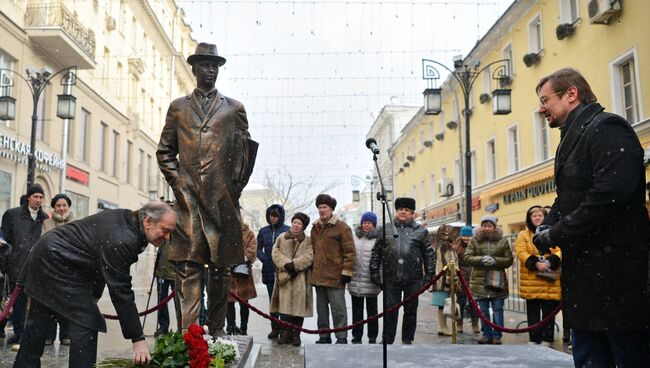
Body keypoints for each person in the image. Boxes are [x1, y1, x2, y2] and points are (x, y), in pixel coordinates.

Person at [532, 68, 650, 366]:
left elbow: (609, 196)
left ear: (571, 94)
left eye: (545, 99)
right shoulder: (572, 137)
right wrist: (547, 222)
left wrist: (556, 233)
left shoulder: (608, 128)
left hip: (618, 283)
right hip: (587, 286)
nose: (541, 108)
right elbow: (569, 196)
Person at [157, 42, 258, 335]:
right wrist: (179, 183)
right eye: (205, 65)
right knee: (188, 267)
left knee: (221, 270)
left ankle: (216, 332)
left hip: (222, 202)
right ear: (194, 68)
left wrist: (234, 189)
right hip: (188, 201)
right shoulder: (178, 108)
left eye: (214, 65)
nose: (210, 70)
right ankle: (189, 338)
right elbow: (164, 152)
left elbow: (244, 153)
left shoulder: (234, 108)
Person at [13, 201, 176, 367]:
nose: (167, 237)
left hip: (48, 253)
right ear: (148, 221)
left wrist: (94, 295)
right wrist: (138, 339)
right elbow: (121, 291)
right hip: (56, 261)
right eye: (165, 230)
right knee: (87, 321)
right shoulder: (123, 238)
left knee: (38, 322)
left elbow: (99, 262)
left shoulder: (128, 222)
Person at [370, 197, 435, 345]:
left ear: (413, 213)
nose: (403, 213)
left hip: (413, 278)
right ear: (396, 211)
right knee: (390, 311)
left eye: (407, 210)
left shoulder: (420, 231)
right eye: (400, 210)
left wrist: (429, 274)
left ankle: (407, 339)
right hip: (390, 277)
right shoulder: (386, 229)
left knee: (411, 311)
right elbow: (376, 252)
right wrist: (374, 271)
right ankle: (388, 338)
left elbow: (429, 254)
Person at [1, 184, 48, 346]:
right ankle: (19, 333)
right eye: (35, 196)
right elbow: (4, 241)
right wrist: (7, 262)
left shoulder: (45, 218)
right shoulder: (12, 215)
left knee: (34, 304)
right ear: (28, 197)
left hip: (37, 267)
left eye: (41, 197)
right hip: (16, 266)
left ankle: (28, 335)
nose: (38, 200)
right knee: (18, 303)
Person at [310, 194, 355, 344]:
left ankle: (341, 337)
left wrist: (346, 272)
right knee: (321, 312)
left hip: (336, 276)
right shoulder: (315, 228)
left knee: (339, 310)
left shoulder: (342, 227)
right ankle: (324, 336)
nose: (322, 210)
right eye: (320, 207)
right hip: (319, 277)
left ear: (331, 209)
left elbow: (350, 252)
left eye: (325, 207)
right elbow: (313, 251)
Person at [515, 205, 561, 347]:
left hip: (549, 277)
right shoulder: (523, 234)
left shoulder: (552, 232)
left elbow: (559, 250)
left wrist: (550, 261)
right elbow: (520, 251)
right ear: (529, 218)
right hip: (531, 278)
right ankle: (534, 338)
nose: (537, 218)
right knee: (533, 312)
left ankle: (547, 338)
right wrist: (534, 262)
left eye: (540, 215)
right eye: (534, 215)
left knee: (549, 311)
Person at [463, 215, 513, 345]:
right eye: (484, 225)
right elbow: (467, 257)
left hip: (497, 281)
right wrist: (481, 259)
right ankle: (486, 334)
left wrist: (495, 261)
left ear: (494, 227)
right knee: (483, 310)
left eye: (489, 226)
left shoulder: (502, 241)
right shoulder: (474, 240)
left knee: (498, 309)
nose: (487, 228)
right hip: (479, 281)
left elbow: (509, 260)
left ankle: (497, 335)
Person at [270, 212, 313, 346]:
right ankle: (284, 333)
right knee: (284, 308)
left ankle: (296, 334)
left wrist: (294, 265)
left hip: (300, 279)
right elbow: (275, 253)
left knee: (298, 310)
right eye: (295, 222)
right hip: (284, 278)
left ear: (303, 226)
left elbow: (309, 256)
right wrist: (286, 264)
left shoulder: (308, 240)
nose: (296, 225)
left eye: (299, 223)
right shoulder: (282, 237)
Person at [41, 193, 75, 346]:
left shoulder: (76, 223)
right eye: (58, 206)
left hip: (70, 270)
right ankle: (48, 334)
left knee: (67, 303)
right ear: (54, 207)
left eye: (64, 205)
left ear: (68, 207)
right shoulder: (46, 223)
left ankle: (66, 335)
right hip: (50, 268)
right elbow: (42, 242)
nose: (61, 209)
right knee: (49, 303)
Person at [256, 204, 290, 339]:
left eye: (276, 216)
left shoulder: (287, 230)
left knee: (284, 301)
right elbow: (258, 248)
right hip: (269, 270)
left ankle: (285, 329)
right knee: (272, 301)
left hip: (283, 270)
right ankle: (275, 328)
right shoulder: (264, 231)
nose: (273, 219)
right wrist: (265, 259)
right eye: (271, 216)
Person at [348, 212, 380, 344]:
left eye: (369, 223)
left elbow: (380, 260)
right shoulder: (354, 237)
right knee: (357, 311)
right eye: (365, 222)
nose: (367, 225)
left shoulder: (378, 239)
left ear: (374, 225)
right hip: (356, 279)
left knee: (372, 312)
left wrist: (379, 277)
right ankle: (357, 335)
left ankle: (372, 336)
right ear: (361, 224)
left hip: (371, 280)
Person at [226, 220, 257, 336]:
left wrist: (238, 259)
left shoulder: (249, 233)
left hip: (243, 274)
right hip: (229, 273)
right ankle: (230, 326)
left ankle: (244, 327)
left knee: (244, 304)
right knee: (229, 303)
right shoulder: (226, 232)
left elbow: (252, 250)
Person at [429, 224, 457, 336]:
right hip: (443, 279)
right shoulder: (444, 246)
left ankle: (443, 326)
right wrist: (451, 277)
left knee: (443, 305)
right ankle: (442, 326)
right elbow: (445, 263)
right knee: (443, 304)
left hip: (441, 278)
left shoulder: (442, 246)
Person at [452, 225, 480, 335]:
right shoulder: (457, 248)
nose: (466, 238)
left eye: (468, 236)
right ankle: (459, 323)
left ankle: (475, 324)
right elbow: (454, 263)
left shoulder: (476, 247)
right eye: (464, 235)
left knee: (474, 303)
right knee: (460, 302)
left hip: (474, 278)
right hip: (461, 279)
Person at [153, 237, 177, 338]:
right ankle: (163, 327)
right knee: (161, 300)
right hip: (161, 271)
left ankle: (181, 326)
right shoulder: (164, 232)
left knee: (179, 301)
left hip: (176, 272)